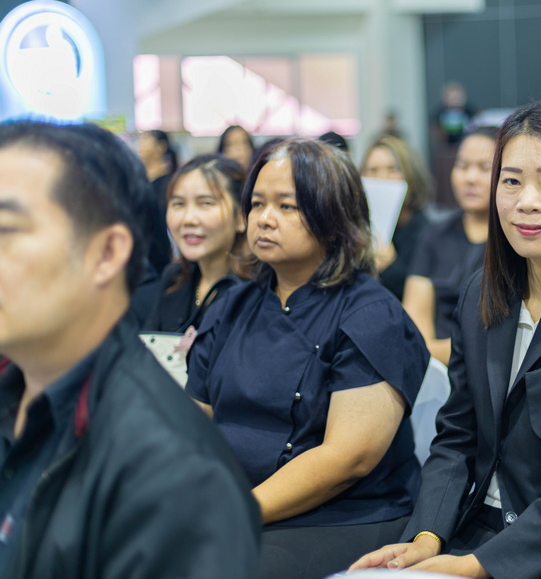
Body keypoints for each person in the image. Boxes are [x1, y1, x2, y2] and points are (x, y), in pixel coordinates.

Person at [351, 98, 541, 579]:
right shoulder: (481, 292)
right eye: (512, 181)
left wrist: (476, 566)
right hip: (481, 527)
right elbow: (457, 437)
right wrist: (427, 536)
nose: (527, 201)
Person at [0, 120, 259, 578]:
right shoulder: (20, 394)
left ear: (105, 253)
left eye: (7, 230)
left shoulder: (177, 478)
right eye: (178, 204)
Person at [186, 138, 429, 579]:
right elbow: (191, 424)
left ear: (333, 216)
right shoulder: (230, 305)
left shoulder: (372, 316)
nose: (264, 219)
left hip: (344, 513)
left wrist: (234, 511)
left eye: (287, 207)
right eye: (257, 204)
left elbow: (346, 459)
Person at [403, 128, 496, 365]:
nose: (470, 178)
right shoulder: (435, 234)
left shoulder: (517, 241)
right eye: (462, 166)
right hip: (434, 373)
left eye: (484, 168)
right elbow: (414, 331)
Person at [144, 154, 248, 333]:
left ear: (240, 216)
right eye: (178, 204)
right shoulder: (175, 278)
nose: (188, 219)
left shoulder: (256, 290)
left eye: (205, 203)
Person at [361, 134, 433, 300]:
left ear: (411, 177)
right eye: (372, 170)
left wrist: (389, 266)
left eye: (393, 170)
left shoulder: (428, 234)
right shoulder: (356, 229)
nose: (382, 178)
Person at [136, 129, 178, 273]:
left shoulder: (169, 183)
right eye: (140, 139)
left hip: (164, 260)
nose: (140, 144)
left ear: (161, 147)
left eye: (146, 139)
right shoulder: (140, 182)